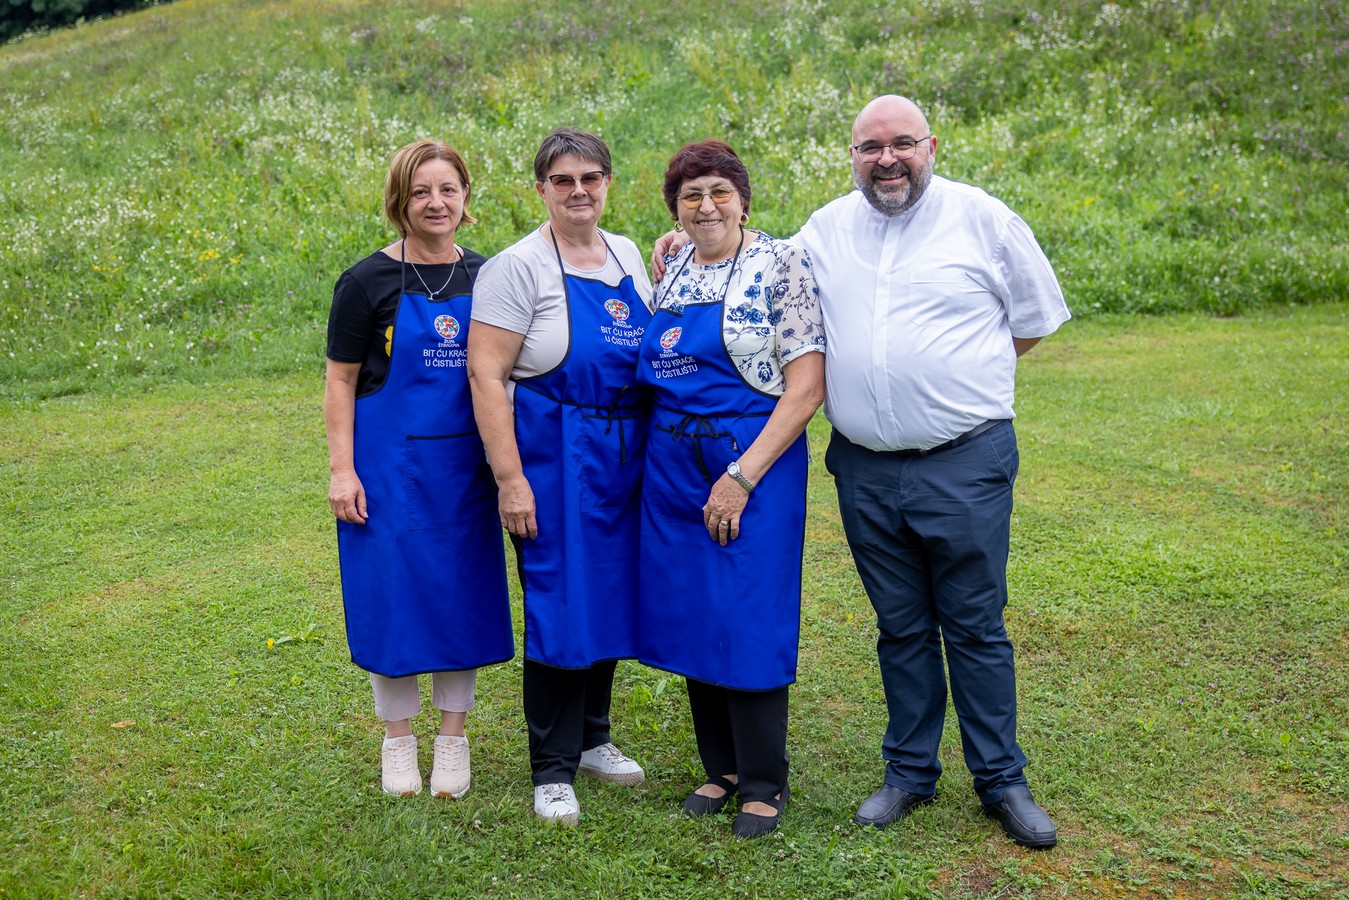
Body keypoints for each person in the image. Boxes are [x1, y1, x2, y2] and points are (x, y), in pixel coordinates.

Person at [654, 95, 1070, 848]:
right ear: (850, 155)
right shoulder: (824, 230)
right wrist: (678, 237)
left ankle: (1000, 779)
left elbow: (1033, 320)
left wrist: (960, 380)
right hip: (866, 469)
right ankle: (908, 773)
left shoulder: (982, 219)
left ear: (930, 145)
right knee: (900, 627)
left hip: (962, 459)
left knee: (973, 625)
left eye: (901, 144)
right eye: (869, 146)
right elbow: (748, 251)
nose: (886, 159)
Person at [635, 140, 824, 839]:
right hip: (671, 460)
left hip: (750, 458)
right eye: (690, 195)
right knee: (693, 609)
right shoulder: (674, 262)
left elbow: (805, 388)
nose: (705, 205)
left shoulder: (781, 263)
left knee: (747, 609)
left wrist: (741, 477)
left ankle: (765, 781)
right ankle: (721, 767)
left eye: (718, 191)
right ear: (674, 210)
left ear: (742, 198)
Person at [468, 127, 653, 827]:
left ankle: (593, 739)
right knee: (557, 599)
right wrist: (509, 479)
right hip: (553, 453)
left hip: (623, 453)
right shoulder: (517, 268)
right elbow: (486, 376)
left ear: (608, 183)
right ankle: (550, 769)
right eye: (563, 180)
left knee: (609, 594)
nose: (579, 191)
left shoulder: (628, 253)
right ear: (541, 189)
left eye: (591, 178)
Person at [324, 139, 513, 799]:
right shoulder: (364, 282)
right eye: (420, 191)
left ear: (465, 199)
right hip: (388, 467)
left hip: (465, 468)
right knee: (391, 599)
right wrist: (342, 469)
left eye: (447, 189)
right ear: (399, 201)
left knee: (460, 596)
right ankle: (398, 740)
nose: (435, 203)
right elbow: (340, 383)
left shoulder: (490, 276)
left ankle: (453, 738)